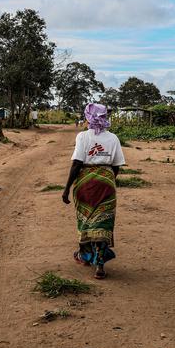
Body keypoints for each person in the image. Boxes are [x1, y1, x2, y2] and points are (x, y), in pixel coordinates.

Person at [62, 103, 125, 279]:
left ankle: (85, 256)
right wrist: (108, 180)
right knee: (103, 223)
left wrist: (66, 189)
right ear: (105, 117)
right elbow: (117, 165)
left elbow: (76, 163)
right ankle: (100, 264)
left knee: (87, 222)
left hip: (85, 183)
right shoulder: (113, 138)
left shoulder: (82, 137)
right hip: (106, 182)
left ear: (88, 117)